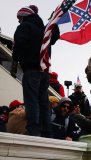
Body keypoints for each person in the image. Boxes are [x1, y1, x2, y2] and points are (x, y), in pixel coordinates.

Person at [11, 5, 59, 137]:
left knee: (31, 100)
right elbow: (54, 37)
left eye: (19, 18)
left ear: (24, 16)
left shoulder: (24, 27)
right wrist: (53, 21)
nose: (19, 21)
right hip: (44, 72)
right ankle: (47, 131)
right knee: (43, 102)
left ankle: (33, 129)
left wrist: (16, 59)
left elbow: (19, 45)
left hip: (31, 70)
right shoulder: (44, 29)